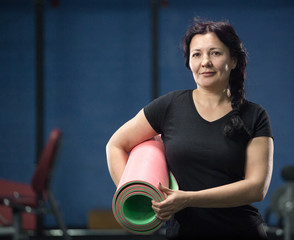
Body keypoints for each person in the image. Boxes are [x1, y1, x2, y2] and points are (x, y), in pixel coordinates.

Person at [106, 19, 274, 240]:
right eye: (196, 54)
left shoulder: (255, 115)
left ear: (233, 60)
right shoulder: (169, 106)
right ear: (189, 62)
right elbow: (116, 145)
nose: (205, 62)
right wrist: (139, 197)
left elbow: (256, 189)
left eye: (215, 53)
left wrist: (189, 198)